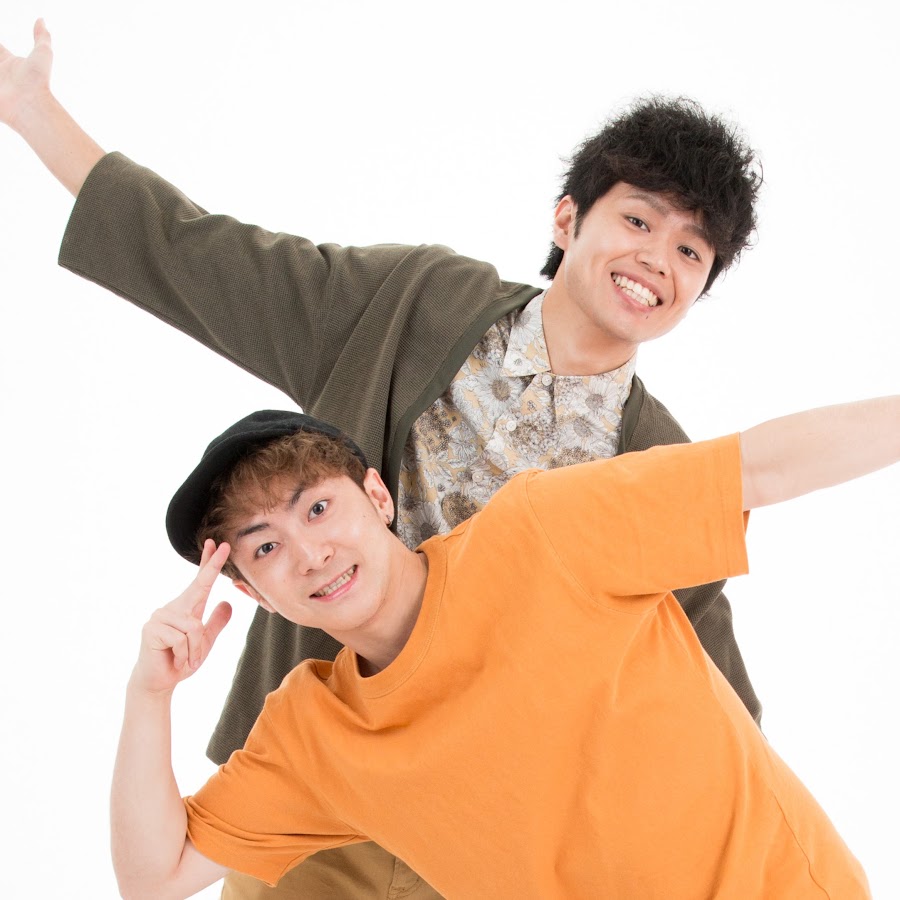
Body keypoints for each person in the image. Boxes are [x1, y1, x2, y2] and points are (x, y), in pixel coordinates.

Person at [3, 20, 763, 898]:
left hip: (488, 839)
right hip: (320, 795)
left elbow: (708, 677)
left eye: (690, 251)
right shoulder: (419, 303)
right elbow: (207, 258)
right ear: (568, 218)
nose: (655, 259)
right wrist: (34, 112)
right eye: (637, 219)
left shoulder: (658, 455)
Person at [112, 400, 895, 898]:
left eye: (318, 508)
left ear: (378, 496)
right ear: (253, 591)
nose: (311, 554)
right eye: (266, 548)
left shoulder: (539, 533)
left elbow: (754, 468)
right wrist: (150, 694)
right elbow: (156, 877)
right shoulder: (314, 736)